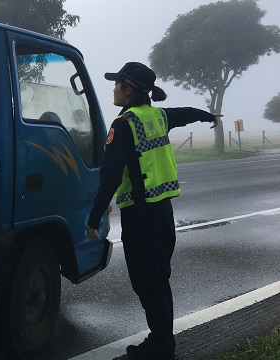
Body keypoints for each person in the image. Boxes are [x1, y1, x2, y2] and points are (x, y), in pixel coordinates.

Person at [85, 62, 221, 360]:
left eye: (117, 83)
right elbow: (183, 114)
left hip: (140, 215)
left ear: (128, 89)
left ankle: (161, 347)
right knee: (159, 279)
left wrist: (94, 217)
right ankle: (162, 340)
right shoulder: (157, 116)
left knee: (147, 282)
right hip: (163, 213)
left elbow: (109, 177)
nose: (113, 88)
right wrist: (207, 116)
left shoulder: (124, 125)